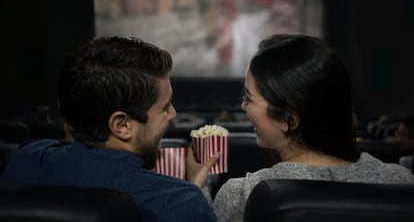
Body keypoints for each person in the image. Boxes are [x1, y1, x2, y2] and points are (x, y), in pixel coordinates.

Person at [187, 34, 414, 222]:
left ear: (288, 120)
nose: (243, 105)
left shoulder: (241, 194)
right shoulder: (401, 180)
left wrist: (197, 186)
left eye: (249, 97)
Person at [0, 36, 218, 222]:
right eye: (165, 107)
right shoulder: (182, 203)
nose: (173, 114)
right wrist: (195, 188)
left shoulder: (27, 160)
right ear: (122, 125)